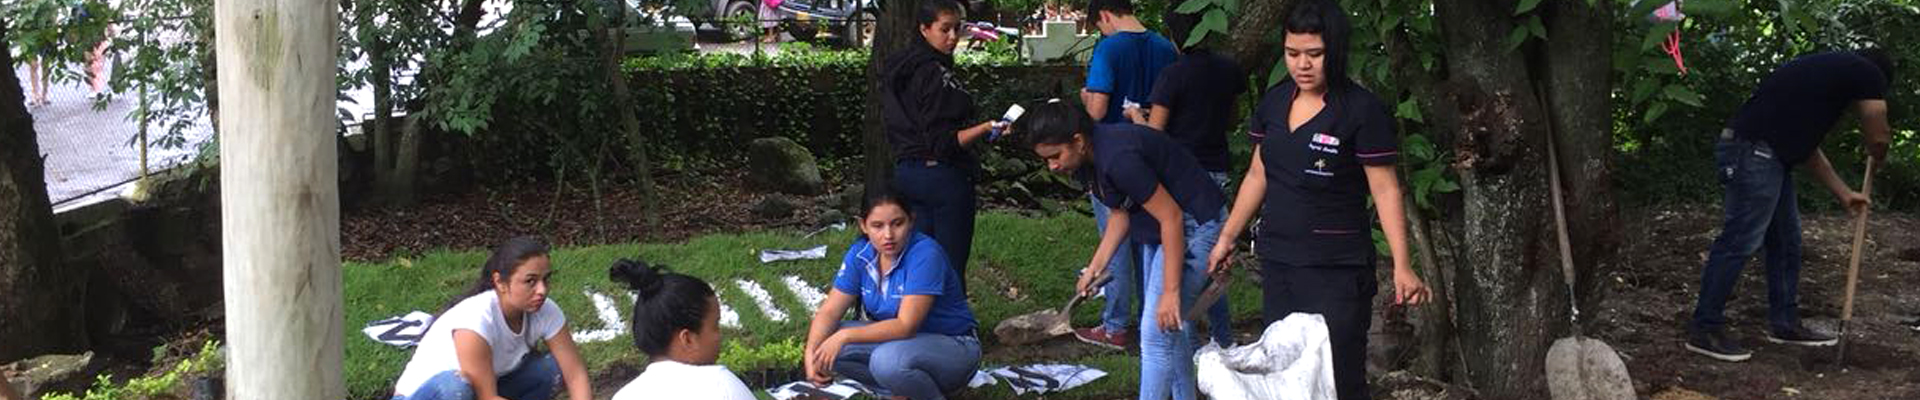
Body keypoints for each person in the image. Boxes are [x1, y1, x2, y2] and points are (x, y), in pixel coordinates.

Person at [1204, 1, 1430, 399]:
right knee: (1285, 373)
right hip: (1279, 264)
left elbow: (1385, 189)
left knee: (1337, 376)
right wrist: (1227, 237)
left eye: (1314, 54)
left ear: (1335, 51)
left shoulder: (1361, 110)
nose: (1302, 65)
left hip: (1337, 270)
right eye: (1292, 54)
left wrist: (1402, 265)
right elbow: (1259, 175)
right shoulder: (1274, 103)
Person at [1684, 48, 1894, 362]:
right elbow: (1879, 135)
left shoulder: (1819, 81)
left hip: (1766, 155)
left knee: (1786, 241)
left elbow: (1806, 149)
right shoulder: (1867, 72)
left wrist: (1844, 193)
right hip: (1753, 153)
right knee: (1740, 240)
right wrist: (1879, 154)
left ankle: (1784, 324)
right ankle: (1704, 328)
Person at [1017, 99, 1226, 400]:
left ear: (1077, 140)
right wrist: (1095, 268)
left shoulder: (1117, 158)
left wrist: (1170, 291)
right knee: (1169, 328)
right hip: (1162, 225)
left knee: (1155, 334)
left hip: (1194, 223)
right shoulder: (1088, 160)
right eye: (1046, 160)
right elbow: (1119, 214)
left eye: (1055, 156)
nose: (1053, 166)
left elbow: (1172, 217)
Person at [1123, 6, 1248, 347]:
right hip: (1217, 171)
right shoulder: (1228, 70)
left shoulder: (1173, 74)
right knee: (1212, 261)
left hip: (1183, 180)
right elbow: (1233, 118)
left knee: (1187, 264)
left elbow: (1155, 136)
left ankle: (1185, 341)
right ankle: (1224, 339)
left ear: (1175, 37)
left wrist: (1135, 115)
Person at [803, 186, 982, 400]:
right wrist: (811, 351)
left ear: (911, 221)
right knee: (826, 341)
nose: (888, 235)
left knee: (885, 360)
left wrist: (845, 335)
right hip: (905, 347)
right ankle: (902, 392)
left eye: (897, 223)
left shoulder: (925, 254)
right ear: (863, 225)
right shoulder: (860, 254)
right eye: (877, 226)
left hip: (954, 347)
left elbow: (906, 326)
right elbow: (830, 312)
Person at [1071, 0, 1180, 350]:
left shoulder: (1109, 47)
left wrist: (1085, 96)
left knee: (1115, 239)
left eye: (1098, 25)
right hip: (1154, 155)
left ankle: (1115, 325)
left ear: (1104, 15)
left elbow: (1098, 109)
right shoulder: (1165, 47)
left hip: (1113, 158)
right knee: (1149, 238)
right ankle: (1150, 318)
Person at [880, 0, 1004, 292]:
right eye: (944, 29)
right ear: (924, 29)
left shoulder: (900, 68)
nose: (951, 37)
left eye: (957, 29)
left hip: (908, 175)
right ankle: (954, 330)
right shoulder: (933, 75)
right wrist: (986, 128)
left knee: (918, 263)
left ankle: (917, 325)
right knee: (949, 265)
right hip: (943, 177)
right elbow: (943, 142)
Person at [391, 236, 594, 400]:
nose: (542, 290)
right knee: (454, 387)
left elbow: (575, 375)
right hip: (431, 395)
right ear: (500, 282)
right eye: (530, 281)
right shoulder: (475, 320)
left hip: (483, 391)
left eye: (545, 279)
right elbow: (487, 397)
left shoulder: (547, 311)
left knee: (553, 368)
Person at [608, 259, 755, 400]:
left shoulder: (624, 396)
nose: (720, 336)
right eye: (715, 326)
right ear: (687, 339)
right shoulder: (722, 385)